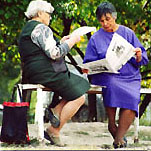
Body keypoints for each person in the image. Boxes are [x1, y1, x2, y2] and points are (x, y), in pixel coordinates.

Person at [18, 0, 90, 146]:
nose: (50, 17)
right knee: (80, 97)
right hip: (46, 72)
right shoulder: (42, 28)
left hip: (33, 71)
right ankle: (54, 130)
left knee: (79, 85)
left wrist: (62, 41)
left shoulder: (27, 28)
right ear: (39, 13)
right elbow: (55, 53)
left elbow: (43, 49)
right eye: (48, 14)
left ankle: (56, 110)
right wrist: (72, 42)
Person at [83, 1, 148, 149]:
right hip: (106, 74)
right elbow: (88, 62)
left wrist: (138, 55)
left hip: (129, 75)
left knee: (132, 97)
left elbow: (143, 58)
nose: (105, 23)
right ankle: (112, 124)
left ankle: (118, 139)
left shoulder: (127, 33)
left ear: (115, 17)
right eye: (101, 21)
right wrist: (88, 68)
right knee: (111, 84)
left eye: (108, 19)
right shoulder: (95, 38)